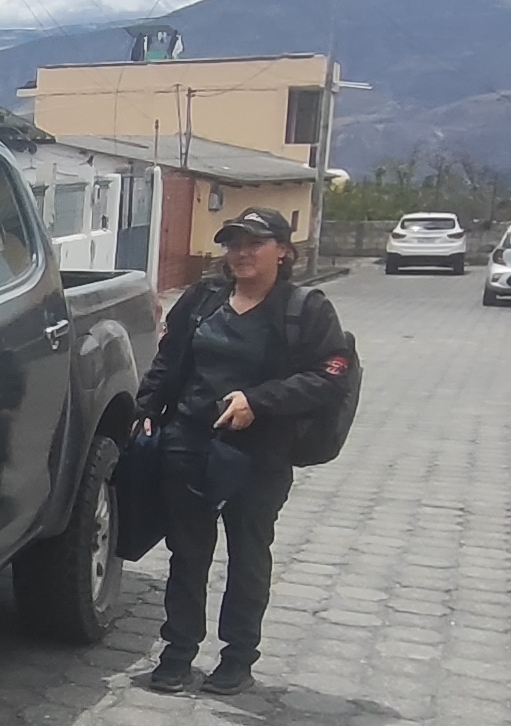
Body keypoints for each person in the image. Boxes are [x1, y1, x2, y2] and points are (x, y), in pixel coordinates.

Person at [133, 207, 352, 695]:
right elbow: (170, 356)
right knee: (187, 552)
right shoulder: (203, 298)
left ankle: (237, 658)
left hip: (260, 453)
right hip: (189, 443)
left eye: (255, 243)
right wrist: (146, 406)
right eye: (234, 243)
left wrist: (260, 400)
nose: (242, 253)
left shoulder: (305, 308)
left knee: (248, 554)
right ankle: (177, 653)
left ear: (284, 251)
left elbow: (331, 374)